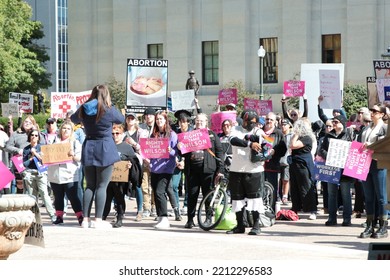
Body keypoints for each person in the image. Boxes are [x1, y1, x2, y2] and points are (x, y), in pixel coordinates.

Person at [70, 84, 124, 229]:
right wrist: (111, 105)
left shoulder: (84, 108)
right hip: (105, 148)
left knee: (90, 186)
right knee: (102, 186)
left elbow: (73, 119)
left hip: (89, 147)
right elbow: (121, 119)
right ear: (106, 95)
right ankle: (98, 220)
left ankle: (85, 220)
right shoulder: (109, 109)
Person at [179, 113, 224, 229]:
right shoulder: (188, 135)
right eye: (197, 121)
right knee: (192, 195)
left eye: (202, 121)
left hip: (208, 170)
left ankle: (208, 218)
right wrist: (180, 147)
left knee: (208, 196)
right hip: (192, 170)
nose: (199, 123)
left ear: (206, 123)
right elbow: (182, 153)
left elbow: (219, 153)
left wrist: (220, 170)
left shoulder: (212, 135)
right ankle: (190, 219)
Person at [226, 110, 265, 235]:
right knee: (237, 199)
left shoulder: (257, 130)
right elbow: (233, 140)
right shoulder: (235, 129)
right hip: (236, 169)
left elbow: (264, 140)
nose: (251, 125)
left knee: (255, 199)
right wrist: (249, 143)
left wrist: (255, 140)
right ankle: (240, 225)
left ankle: (256, 225)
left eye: (254, 123)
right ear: (243, 120)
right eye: (249, 122)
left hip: (254, 170)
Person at [103, 123, 142, 228]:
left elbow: (134, 161)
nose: (115, 135)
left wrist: (130, 164)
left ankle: (120, 217)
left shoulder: (127, 147)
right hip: (107, 178)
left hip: (120, 179)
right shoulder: (106, 145)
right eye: (113, 133)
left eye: (117, 133)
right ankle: (102, 218)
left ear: (122, 134)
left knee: (119, 197)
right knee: (106, 198)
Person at [318, 115, 354, 226]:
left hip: (344, 169)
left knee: (345, 194)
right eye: (333, 121)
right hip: (331, 168)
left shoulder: (348, 135)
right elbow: (321, 150)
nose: (334, 124)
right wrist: (329, 155)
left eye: (336, 122)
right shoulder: (328, 135)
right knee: (331, 194)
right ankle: (332, 218)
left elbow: (354, 149)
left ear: (342, 123)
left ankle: (347, 218)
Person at [358, 104, 388, 239]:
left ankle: (383, 225)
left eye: (375, 111)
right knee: (369, 196)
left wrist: (369, 146)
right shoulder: (366, 128)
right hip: (365, 163)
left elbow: (385, 145)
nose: (372, 113)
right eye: (371, 111)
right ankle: (370, 224)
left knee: (381, 197)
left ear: (381, 114)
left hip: (378, 163)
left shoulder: (385, 128)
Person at [48, 120, 83, 226]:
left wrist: (72, 155)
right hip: (55, 173)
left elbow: (79, 158)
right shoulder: (53, 141)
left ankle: (80, 216)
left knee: (73, 196)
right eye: (64, 128)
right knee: (58, 196)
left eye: (68, 129)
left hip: (69, 174)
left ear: (72, 131)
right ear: (60, 130)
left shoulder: (75, 142)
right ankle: (59, 216)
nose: (66, 130)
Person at [149, 110, 179, 229]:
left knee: (160, 192)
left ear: (166, 120)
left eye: (161, 119)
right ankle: (160, 217)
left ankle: (165, 218)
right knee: (155, 193)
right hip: (154, 168)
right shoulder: (154, 134)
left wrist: (169, 151)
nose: (159, 121)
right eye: (157, 119)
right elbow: (150, 149)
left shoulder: (172, 134)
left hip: (166, 168)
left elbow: (177, 151)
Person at [22, 129, 56, 222]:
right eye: (32, 135)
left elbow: (44, 161)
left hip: (40, 173)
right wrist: (32, 158)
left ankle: (52, 215)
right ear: (29, 137)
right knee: (32, 195)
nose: (34, 137)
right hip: (30, 173)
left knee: (44, 193)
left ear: (38, 137)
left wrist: (35, 153)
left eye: (36, 135)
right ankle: (33, 216)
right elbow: (25, 164)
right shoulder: (26, 149)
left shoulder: (41, 147)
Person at [6, 115, 44, 194]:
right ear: (23, 122)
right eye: (26, 121)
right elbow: (8, 147)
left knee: (33, 189)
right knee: (20, 187)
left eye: (30, 122)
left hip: (35, 165)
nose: (27, 123)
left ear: (33, 124)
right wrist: (18, 150)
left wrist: (35, 130)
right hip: (20, 164)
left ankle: (33, 205)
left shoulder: (36, 133)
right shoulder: (16, 134)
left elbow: (43, 144)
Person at [289, 118, 318, 220]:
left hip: (303, 164)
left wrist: (296, 134)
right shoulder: (297, 137)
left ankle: (312, 210)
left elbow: (293, 145)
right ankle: (295, 208)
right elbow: (290, 145)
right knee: (294, 188)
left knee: (305, 186)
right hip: (294, 163)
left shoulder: (307, 138)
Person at [262, 112, 287, 209]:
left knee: (272, 189)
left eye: (271, 120)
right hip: (258, 165)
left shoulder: (278, 133)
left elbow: (283, 149)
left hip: (272, 165)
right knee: (260, 189)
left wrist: (274, 151)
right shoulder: (259, 131)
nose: (269, 121)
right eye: (267, 119)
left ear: (275, 121)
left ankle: (271, 211)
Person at [123, 112, 144, 222]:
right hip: (124, 161)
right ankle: (120, 211)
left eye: (132, 118)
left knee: (137, 185)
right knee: (121, 186)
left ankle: (140, 210)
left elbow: (144, 149)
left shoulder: (140, 132)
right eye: (128, 118)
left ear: (136, 120)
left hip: (136, 161)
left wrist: (134, 144)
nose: (130, 120)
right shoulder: (122, 132)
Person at [139, 108, 156, 218]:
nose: (149, 117)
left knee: (155, 185)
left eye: (151, 115)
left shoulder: (158, 127)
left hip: (156, 161)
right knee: (144, 185)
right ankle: (146, 207)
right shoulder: (141, 128)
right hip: (144, 160)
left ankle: (154, 206)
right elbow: (139, 144)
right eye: (147, 115)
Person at [279, 118, 293, 205]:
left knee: (286, 179)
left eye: (285, 125)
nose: (283, 126)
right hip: (277, 160)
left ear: (289, 126)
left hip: (287, 160)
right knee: (278, 180)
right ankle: (278, 195)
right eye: (282, 125)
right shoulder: (278, 134)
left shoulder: (292, 135)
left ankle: (285, 196)